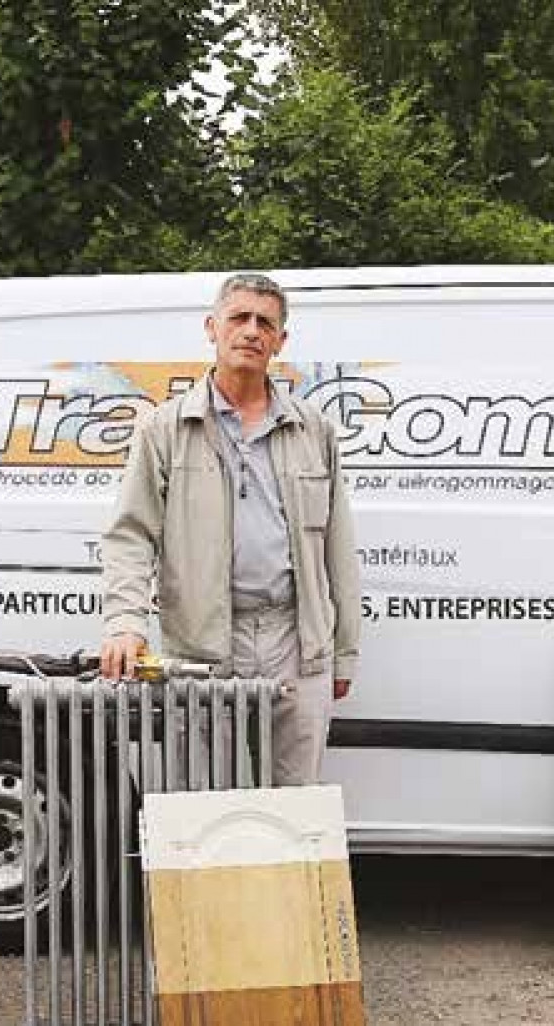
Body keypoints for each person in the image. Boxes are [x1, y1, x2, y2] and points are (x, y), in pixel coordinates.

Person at [99, 272, 360, 786]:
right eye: (238, 318)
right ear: (211, 328)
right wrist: (125, 623)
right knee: (203, 804)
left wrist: (343, 651)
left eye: (265, 322)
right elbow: (131, 536)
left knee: (295, 806)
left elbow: (338, 548)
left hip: (295, 641)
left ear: (280, 341)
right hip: (203, 646)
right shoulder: (165, 429)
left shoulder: (313, 429)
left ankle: (283, 873)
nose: (251, 330)